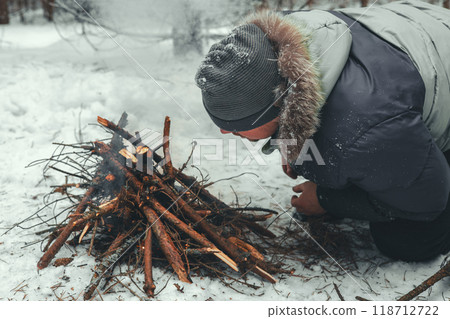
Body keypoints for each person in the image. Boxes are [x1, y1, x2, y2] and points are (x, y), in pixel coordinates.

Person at [194, 0, 450, 262]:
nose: (225, 132)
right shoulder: (278, 41)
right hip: (415, 28)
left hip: (433, 53)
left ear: (276, 108)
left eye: (237, 125)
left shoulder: (363, 125)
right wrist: (291, 141)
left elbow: (428, 198)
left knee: (408, 241)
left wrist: (327, 199)